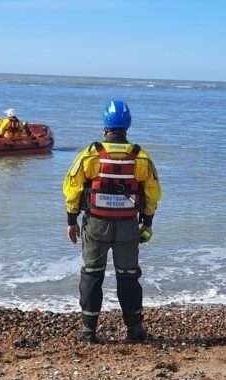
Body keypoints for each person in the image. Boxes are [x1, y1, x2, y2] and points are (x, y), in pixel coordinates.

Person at [62, 99, 161, 343]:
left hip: (96, 224)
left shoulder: (89, 155)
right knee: (128, 276)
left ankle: (88, 331)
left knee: (92, 274)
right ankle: (135, 330)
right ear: (127, 127)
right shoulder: (141, 157)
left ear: (105, 127)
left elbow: (72, 188)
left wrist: (71, 220)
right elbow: (152, 193)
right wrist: (147, 223)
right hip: (128, 225)